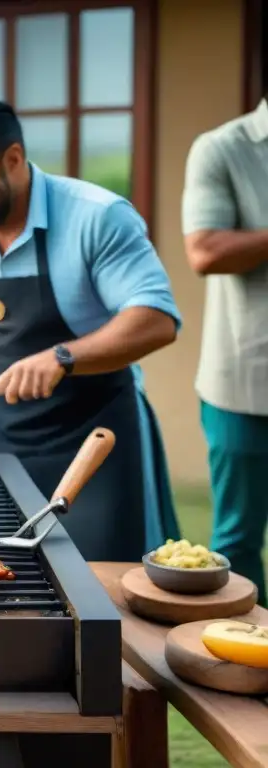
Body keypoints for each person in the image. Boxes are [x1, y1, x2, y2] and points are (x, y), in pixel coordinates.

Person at [0, 96, 182, 563]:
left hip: (89, 441)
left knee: (101, 590)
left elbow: (156, 319)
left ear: (14, 160)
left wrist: (62, 357)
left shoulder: (96, 217)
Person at [181, 98, 268, 605]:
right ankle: (245, 669)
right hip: (245, 383)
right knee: (238, 540)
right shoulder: (221, 149)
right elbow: (205, 250)